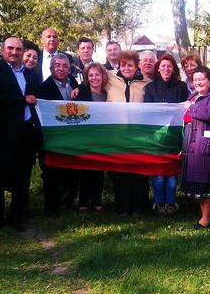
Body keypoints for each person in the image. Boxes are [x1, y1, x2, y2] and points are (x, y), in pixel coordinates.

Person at [0, 37, 41, 231]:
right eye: (10, 48)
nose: (14, 52)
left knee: (22, 177)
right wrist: (23, 99)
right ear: (2, 50)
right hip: (2, 133)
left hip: (25, 132)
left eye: (18, 49)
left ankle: (17, 215)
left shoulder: (31, 74)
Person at [105, 50, 152, 215]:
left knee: (139, 171)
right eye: (123, 64)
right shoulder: (109, 78)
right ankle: (123, 207)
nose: (126, 68)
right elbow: (91, 78)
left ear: (136, 66)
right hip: (117, 133)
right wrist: (77, 89)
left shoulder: (147, 82)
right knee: (121, 171)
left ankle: (140, 206)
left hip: (138, 134)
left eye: (130, 65)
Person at [144, 53, 189, 215]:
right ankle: (159, 203)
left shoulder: (181, 87)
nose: (166, 68)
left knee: (170, 171)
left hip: (174, 135)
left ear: (173, 69)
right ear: (158, 69)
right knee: (158, 171)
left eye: (169, 66)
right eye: (163, 66)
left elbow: (186, 109)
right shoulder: (150, 88)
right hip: (156, 135)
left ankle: (171, 203)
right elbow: (146, 112)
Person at [182, 66, 210, 229]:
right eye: (195, 79)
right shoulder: (193, 96)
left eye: (201, 79)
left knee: (207, 182)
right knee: (198, 182)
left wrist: (190, 108)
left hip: (207, 145)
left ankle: (206, 219)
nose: (198, 82)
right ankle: (202, 216)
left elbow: (209, 114)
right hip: (193, 143)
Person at [37, 53, 80, 216]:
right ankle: (51, 207)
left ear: (70, 69)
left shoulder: (73, 83)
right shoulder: (44, 88)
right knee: (52, 172)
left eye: (65, 66)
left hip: (71, 135)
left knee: (71, 170)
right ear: (51, 68)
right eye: (57, 65)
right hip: (53, 136)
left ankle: (68, 202)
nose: (61, 69)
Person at [75, 62, 109, 211]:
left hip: (102, 136)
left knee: (98, 169)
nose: (94, 78)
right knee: (85, 169)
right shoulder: (81, 91)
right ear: (87, 78)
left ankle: (97, 201)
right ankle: (83, 201)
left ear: (103, 76)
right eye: (91, 75)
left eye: (97, 74)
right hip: (85, 135)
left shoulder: (108, 93)